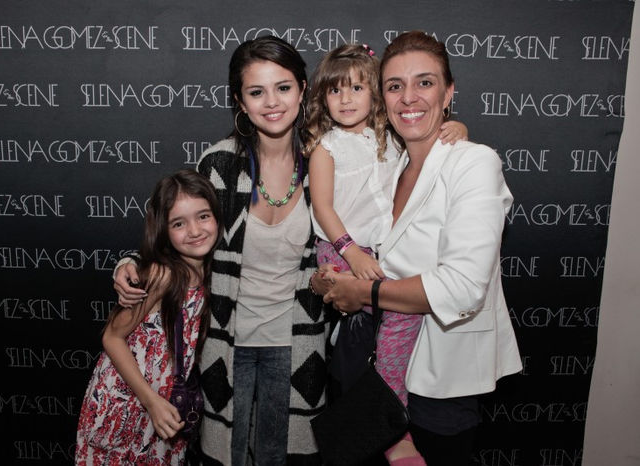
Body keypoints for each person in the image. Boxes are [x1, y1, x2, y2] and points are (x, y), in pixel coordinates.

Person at [114, 36, 326, 465]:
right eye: (256, 91)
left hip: (298, 340)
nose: (272, 102)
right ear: (239, 101)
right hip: (226, 341)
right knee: (224, 456)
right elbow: (184, 234)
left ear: (303, 90)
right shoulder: (219, 163)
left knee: (283, 457)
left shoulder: (325, 159)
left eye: (283, 87)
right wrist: (131, 264)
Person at [322, 31, 523, 466]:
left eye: (425, 83)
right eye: (395, 85)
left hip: (439, 383)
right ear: (382, 98)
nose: (409, 97)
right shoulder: (390, 163)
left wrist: (365, 294)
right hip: (371, 378)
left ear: (449, 92)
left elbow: (462, 287)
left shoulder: (474, 162)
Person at [306, 43, 467, 465]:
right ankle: (393, 430)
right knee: (393, 316)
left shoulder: (390, 138)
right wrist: (350, 252)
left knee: (400, 320)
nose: (345, 99)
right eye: (335, 91)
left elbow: (431, 150)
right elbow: (322, 207)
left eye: (357, 88)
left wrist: (459, 129)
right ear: (322, 96)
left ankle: (390, 417)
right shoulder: (326, 146)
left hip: (380, 251)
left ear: (375, 95)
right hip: (341, 246)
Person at [75, 170, 223, 465]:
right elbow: (111, 336)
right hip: (126, 402)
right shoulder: (163, 274)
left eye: (203, 216)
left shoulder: (213, 271)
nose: (195, 230)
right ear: (164, 230)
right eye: (179, 223)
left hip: (168, 408)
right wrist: (150, 401)